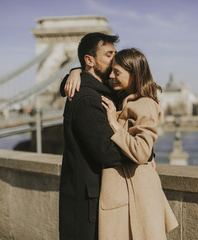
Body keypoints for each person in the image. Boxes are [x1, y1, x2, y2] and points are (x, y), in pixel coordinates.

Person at [65, 48, 178, 239]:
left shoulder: (145, 104)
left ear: (134, 74)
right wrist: (75, 72)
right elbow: (92, 76)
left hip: (139, 192)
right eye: (112, 71)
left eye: (117, 72)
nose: (111, 76)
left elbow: (142, 151)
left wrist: (113, 123)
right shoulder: (122, 95)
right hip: (126, 188)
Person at [59, 32, 132, 240]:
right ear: (89, 61)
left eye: (115, 53)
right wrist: (141, 151)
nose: (115, 60)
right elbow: (107, 153)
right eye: (109, 55)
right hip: (86, 206)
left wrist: (75, 71)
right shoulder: (88, 99)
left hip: (93, 199)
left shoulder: (102, 91)